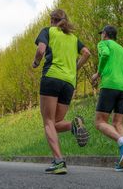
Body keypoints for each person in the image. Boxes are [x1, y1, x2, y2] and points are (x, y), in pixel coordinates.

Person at [33, 9, 90, 174]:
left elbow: (41, 50)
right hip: (69, 83)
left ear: (52, 20)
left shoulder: (47, 31)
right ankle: (73, 125)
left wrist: (36, 62)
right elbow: (87, 53)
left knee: (48, 122)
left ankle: (59, 161)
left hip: (52, 77)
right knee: (56, 123)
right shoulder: (73, 38)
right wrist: (75, 68)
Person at [92, 25, 123, 172]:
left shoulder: (103, 44)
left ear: (105, 34)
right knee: (118, 123)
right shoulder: (122, 49)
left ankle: (122, 142)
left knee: (99, 122)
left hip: (110, 85)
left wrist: (98, 74)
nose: (101, 36)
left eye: (101, 33)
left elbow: (104, 55)